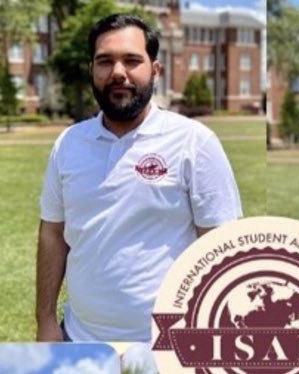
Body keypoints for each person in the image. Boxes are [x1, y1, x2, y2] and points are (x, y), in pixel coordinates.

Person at [36, 14, 243, 342]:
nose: (118, 73)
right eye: (105, 61)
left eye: (132, 60)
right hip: (79, 339)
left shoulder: (194, 143)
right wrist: (45, 319)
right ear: (92, 69)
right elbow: (52, 234)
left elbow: (222, 248)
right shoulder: (68, 144)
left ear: (155, 70)